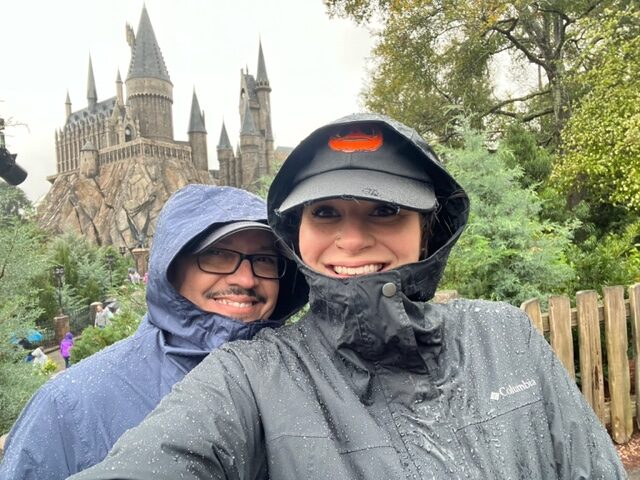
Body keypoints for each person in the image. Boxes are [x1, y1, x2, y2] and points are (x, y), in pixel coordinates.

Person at [69, 114, 625, 479]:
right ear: (297, 233)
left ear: (429, 228)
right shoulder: (251, 377)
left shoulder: (505, 336)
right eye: (326, 212)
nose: (353, 239)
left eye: (385, 210)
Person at [0, 184, 307, 480]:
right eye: (218, 255)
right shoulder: (67, 408)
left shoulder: (307, 381)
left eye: (265, 259)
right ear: (171, 267)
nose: (247, 278)